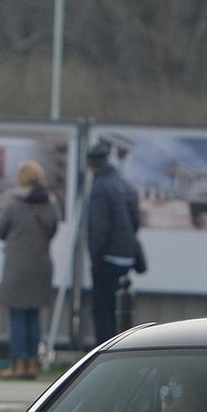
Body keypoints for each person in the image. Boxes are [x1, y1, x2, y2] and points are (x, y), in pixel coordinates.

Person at [0, 160, 61, 379]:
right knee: (33, 315)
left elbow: (1, 232)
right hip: (41, 265)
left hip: (17, 266)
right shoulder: (51, 203)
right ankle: (33, 364)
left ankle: (18, 364)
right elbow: (53, 230)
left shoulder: (13, 205)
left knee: (17, 315)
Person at [81, 140, 144, 343]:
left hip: (107, 258)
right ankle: (124, 347)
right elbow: (136, 222)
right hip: (126, 257)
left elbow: (99, 229)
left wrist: (95, 258)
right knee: (122, 309)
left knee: (103, 311)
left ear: (92, 165)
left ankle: (105, 354)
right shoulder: (126, 185)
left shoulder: (100, 187)